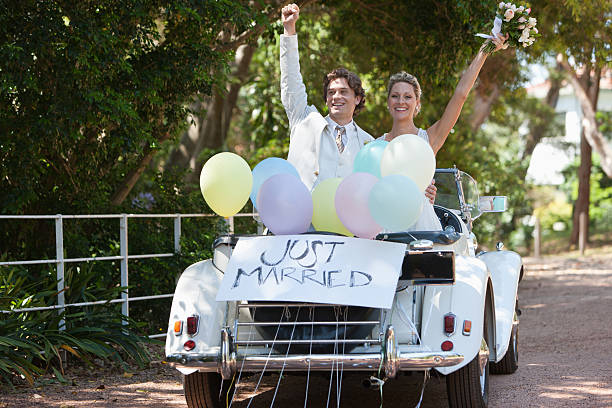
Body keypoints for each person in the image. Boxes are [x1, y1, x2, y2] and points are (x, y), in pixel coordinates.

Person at [380, 33, 508, 230]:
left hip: (422, 226)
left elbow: (461, 95)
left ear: (417, 104)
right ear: (388, 102)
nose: (401, 102)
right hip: (387, 228)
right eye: (395, 96)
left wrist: (484, 51)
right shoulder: (376, 145)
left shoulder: (429, 139)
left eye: (408, 97)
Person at [280, 3, 373, 192]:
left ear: (357, 98)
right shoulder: (304, 120)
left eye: (343, 91)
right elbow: (291, 81)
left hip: (346, 221)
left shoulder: (369, 144)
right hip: (303, 219)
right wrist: (289, 31)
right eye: (331, 92)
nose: (336, 96)